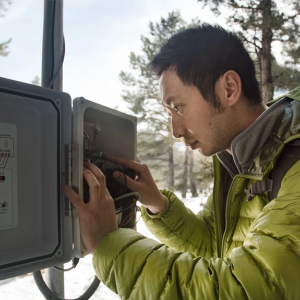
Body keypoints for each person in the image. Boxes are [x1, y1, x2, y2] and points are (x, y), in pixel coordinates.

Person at [63, 24, 300, 299]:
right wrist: (157, 204)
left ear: (230, 88)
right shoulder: (236, 163)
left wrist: (108, 244)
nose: (175, 130)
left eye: (178, 107)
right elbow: (214, 242)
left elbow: (238, 289)